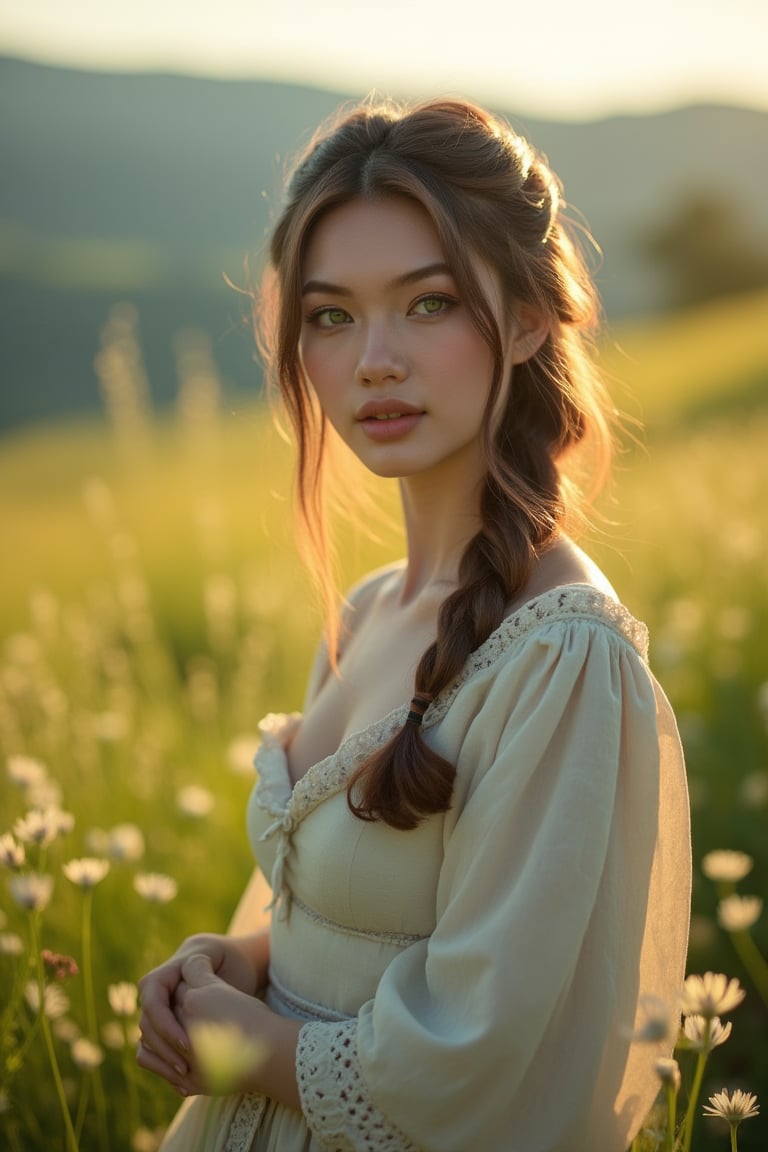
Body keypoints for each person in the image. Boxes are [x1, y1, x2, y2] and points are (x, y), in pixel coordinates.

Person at [137, 97, 691, 1152]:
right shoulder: (366, 610)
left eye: (427, 305)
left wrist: (246, 1046)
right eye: (331, 315)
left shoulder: (565, 658)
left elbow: (484, 1057)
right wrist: (231, 963)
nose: (373, 360)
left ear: (529, 318)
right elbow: (348, 926)